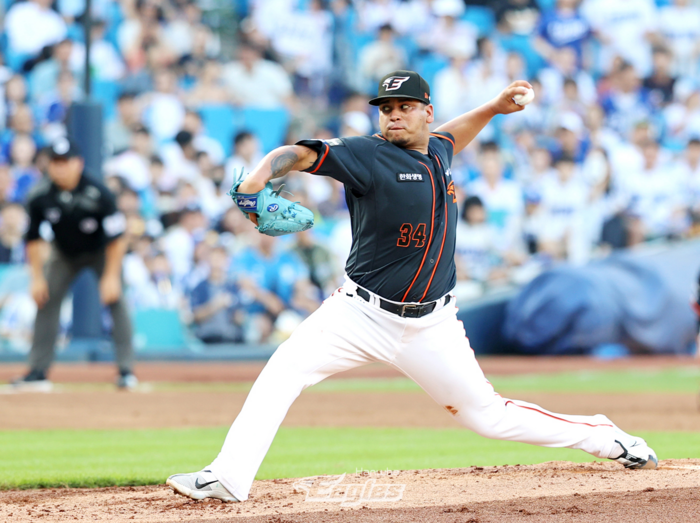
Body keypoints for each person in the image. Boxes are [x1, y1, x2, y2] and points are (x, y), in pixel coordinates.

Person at [166, 70, 657, 503]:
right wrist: (255, 181)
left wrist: (492, 107)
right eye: (386, 108)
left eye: (404, 106)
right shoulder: (367, 155)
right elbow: (297, 153)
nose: (394, 115)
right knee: (283, 371)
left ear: (426, 112)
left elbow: (452, 136)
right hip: (358, 314)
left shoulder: (437, 150)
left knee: (487, 417)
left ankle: (603, 436)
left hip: (433, 324)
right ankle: (228, 477)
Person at [10, 138, 136, 392]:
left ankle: (126, 370)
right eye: (55, 162)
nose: (60, 168)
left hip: (101, 251)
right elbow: (33, 240)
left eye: (65, 162)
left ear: (78, 163)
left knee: (117, 299)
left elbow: (117, 238)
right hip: (64, 253)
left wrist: (111, 276)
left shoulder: (99, 192)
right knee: (44, 299)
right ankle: (38, 371)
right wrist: (37, 277)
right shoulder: (39, 195)